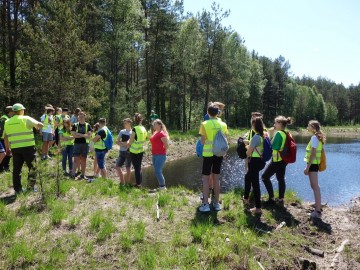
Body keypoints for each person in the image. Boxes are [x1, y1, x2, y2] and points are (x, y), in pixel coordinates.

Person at [4, 103, 43, 194]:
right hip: (28, 147)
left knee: (17, 169)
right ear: (21, 110)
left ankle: (17, 189)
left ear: (13, 111)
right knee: (33, 167)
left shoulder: (7, 122)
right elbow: (40, 124)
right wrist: (36, 127)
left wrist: (7, 148)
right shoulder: (26, 118)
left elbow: (5, 137)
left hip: (15, 148)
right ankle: (30, 187)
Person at [198, 102, 229, 212]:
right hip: (219, 154)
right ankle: (216, 203)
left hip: (208, 155)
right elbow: (226, 139)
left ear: (208, 112)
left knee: (206, 179)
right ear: (218, 113)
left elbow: (202, 142)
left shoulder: (204, 124)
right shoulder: (223, 124)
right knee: (216, 178)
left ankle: (205, 204)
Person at [262, 116, 292, 205]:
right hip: (284, 160)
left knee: (265, 177)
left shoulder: (278, 134)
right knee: (280, 178)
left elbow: (273, 146)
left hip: (277, 160)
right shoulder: (287, 133)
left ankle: (271, 199)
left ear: (279, 124)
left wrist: (270, 135)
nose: (274, 124)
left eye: (275, 123)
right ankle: (281, 199)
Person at [243, 117, 267, 214]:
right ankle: (246, 198)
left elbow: (248, 153)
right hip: (259, 161)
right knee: (247, 178)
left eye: (252, 124)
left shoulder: (255, 137)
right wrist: (250, 143)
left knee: (255, 184)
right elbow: (257, 146)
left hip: (254, 162)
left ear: (254, 125)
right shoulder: (263, 135)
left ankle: (258, 208)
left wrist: (245, 145)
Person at [304, 120, 325, 219]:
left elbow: (312, 154)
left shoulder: (314, 138)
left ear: (313, 127)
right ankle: (318, 204)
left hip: (313, 164)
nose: (307, 127)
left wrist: (307, 168)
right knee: (314, 186)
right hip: (313, 164)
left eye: (308, 126)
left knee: (315, 186)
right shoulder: (316, 137)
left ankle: (317, 211)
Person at [71, 111, 92, 180]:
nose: (81, 117)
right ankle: (73, 174)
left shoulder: (88, 125)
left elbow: (89, 136)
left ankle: (83, 175)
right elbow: (74, 135)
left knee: (84, 160)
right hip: (76, 144)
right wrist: (84, 135)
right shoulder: (75, 125)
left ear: (84, 117)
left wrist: (79, 134)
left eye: (82, 116)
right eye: (80, 116)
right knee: (76, 159)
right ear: (78, 117)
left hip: (85, 144)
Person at [150, 119, 170, 190]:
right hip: (154, 155)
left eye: (155, 124)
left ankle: (163, 187)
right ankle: (161, 186)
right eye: (153, 124)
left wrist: (161, 150)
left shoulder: (161, 133)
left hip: (160, 155)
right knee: (156, 171)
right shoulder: (155, 132)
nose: (153, 126)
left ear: (159, 125)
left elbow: (166, 145)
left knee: (158, 171)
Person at [129, 113, 147, 188]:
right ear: (141, 120)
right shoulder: (143, 128)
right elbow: (145, 138)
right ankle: (140, 183)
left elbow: (131, 141)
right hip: (141, 150)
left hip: (134, 151)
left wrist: (127, 144)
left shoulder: (135, 129)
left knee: (136, 168)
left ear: (134, 120)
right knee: (139, 167)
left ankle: (138, 184)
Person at [115, 118, 132, 184]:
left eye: (125, 123)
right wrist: (123, 144)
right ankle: (122, 181)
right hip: (121, 151)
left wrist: (124, 144)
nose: (124, 124)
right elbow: (117, 141)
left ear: (129, 123)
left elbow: (130, 143)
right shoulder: (122, 131)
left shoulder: (132, 132)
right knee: (117, 166)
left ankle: (127, 183)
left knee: (128, 168)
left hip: (128, 152)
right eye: (124, 123)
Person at [0, 106, 15, 172]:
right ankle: (1, 168)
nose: (14, 112)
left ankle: (6, 167)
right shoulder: (3, 118)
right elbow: (2, 130)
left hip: (9, 138)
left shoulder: (10, 118)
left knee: (9, 153)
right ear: (10, 111)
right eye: (13, 111)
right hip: (3, 139)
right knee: (4, 154)